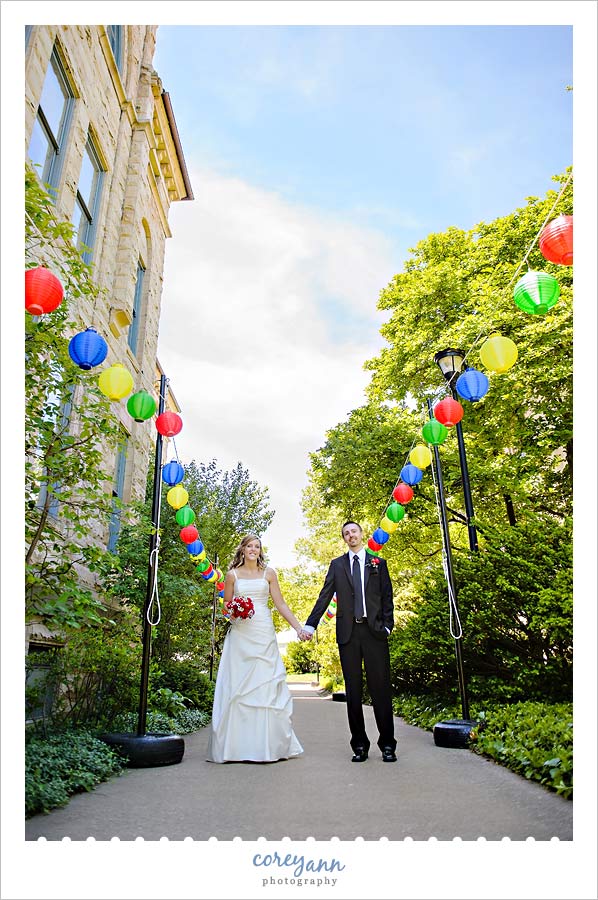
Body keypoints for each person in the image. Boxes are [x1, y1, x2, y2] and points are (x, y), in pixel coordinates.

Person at [207, 533, 309, 763]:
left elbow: (280, 603)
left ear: (260, 551)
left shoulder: (269, 573)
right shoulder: (232, 575)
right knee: (240, 686)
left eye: (257, 546)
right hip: (242, 634)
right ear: (242, 550)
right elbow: (226, 606)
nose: (253, 549)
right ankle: (237, 747)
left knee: (264, 684)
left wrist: (298, 627)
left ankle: (267, 746)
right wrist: (235, 612)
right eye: (249, 546)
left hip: (263, 630)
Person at [303, 520, 397, 763]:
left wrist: (387, 626)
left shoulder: (378, 563)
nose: (350, 535)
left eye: (353, 531)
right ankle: (360, 746)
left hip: (375, 633)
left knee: (381, 690)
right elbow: (325, 595)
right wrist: (311, 624)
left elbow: (387, 596)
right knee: (353, 692)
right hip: (348, 635)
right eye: (346, 533)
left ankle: (387, 745)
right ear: (344, 538)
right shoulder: (337, 565)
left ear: (361, 534)